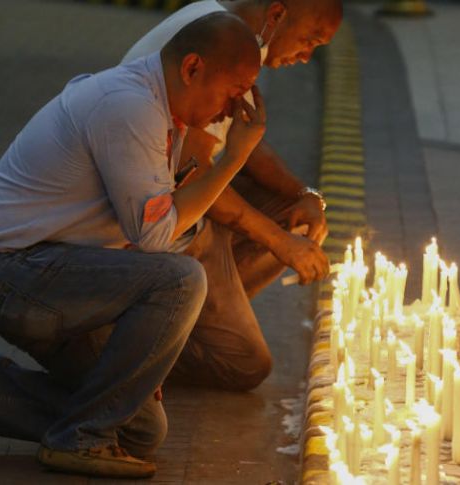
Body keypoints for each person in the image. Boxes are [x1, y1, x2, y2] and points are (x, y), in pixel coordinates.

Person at [0, 12, 266, 479]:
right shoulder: (129, 106)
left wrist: (140, 354)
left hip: (53, 274)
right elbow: (155, 237)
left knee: (139, 428)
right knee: (183, 280)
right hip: (9, 274)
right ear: (192, 68)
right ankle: (79, 439)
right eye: (233, 92)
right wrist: (235, 157)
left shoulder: (163, 111)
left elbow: (142, 236)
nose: (232, 110)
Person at [119, 0, 343, 391]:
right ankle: (121, 348)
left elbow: (243, 140)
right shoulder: (216, 41)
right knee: (246, 362)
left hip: (187, 205)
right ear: (277, 14)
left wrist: (305, 193)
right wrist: (279, 242)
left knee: (297, 217)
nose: (306, 56)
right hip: (157, 222)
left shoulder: (240, 37)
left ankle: (192, 316)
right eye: (309, 40)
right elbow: (192, 171)